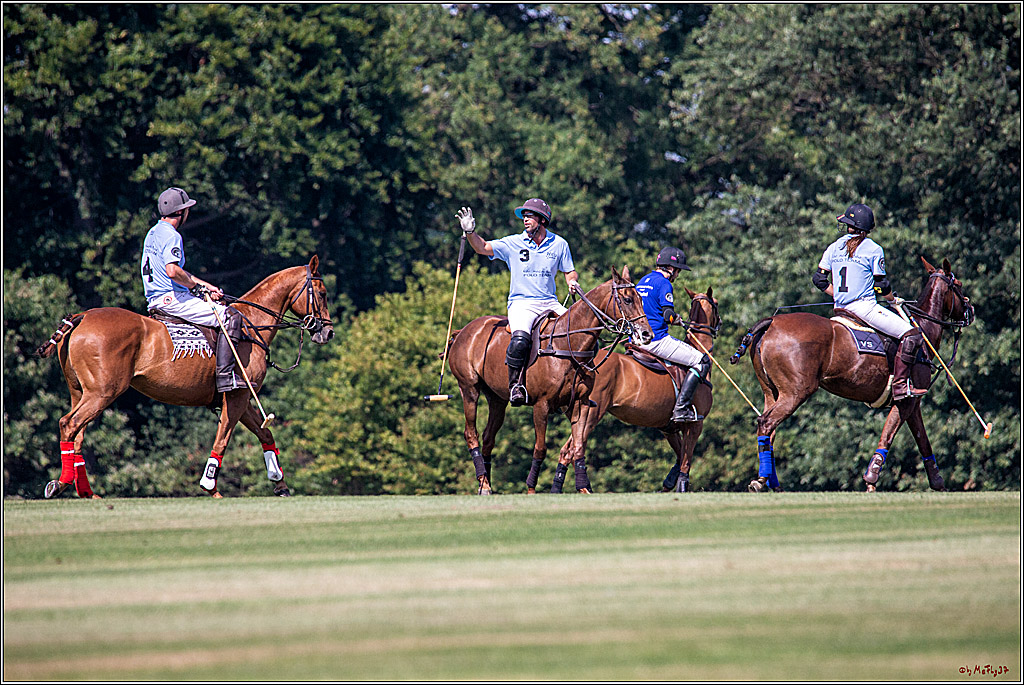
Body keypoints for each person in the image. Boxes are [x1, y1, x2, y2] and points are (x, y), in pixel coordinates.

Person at [457, 198, 580, 406]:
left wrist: (572, 282)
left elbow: (570, 271)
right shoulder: (513, 243)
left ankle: (580, 384)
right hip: (522, 303)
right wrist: (470, 233)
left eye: (529, 216)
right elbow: (483, 247)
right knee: (520, 339)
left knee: (580, 332)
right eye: (524, 216)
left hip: (549, 302)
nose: (525, 220)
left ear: (542, 220)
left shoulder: (559, 244)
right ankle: (515, 385)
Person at [813, 202, 927, 401]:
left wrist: (838, 295)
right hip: (864, 308)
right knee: (912, 335)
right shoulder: (874, 249)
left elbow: (819, 280)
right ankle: (900, 385)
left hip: (840, 310)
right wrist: (893, 300)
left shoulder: (834, 247)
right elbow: (881, 286)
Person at [142, 187, 243, 393]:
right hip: (171, 298)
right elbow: (172, 271)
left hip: (155, 298)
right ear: (180, 212)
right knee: (231, 317)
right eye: (187, 209)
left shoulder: (153, 233)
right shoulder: (172, 235)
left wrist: (206, 287)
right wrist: (196, 287)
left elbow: (178, 271)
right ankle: (225, 376)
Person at [634, 247, 710, 423]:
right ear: (671, 268)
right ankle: (681, 408)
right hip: (656, 340)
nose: (677, 275)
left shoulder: (643, 280)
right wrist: (675, 318)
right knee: (702, 361)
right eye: (678, 271)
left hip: (635, 338)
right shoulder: (664, 284)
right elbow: (667, 315)